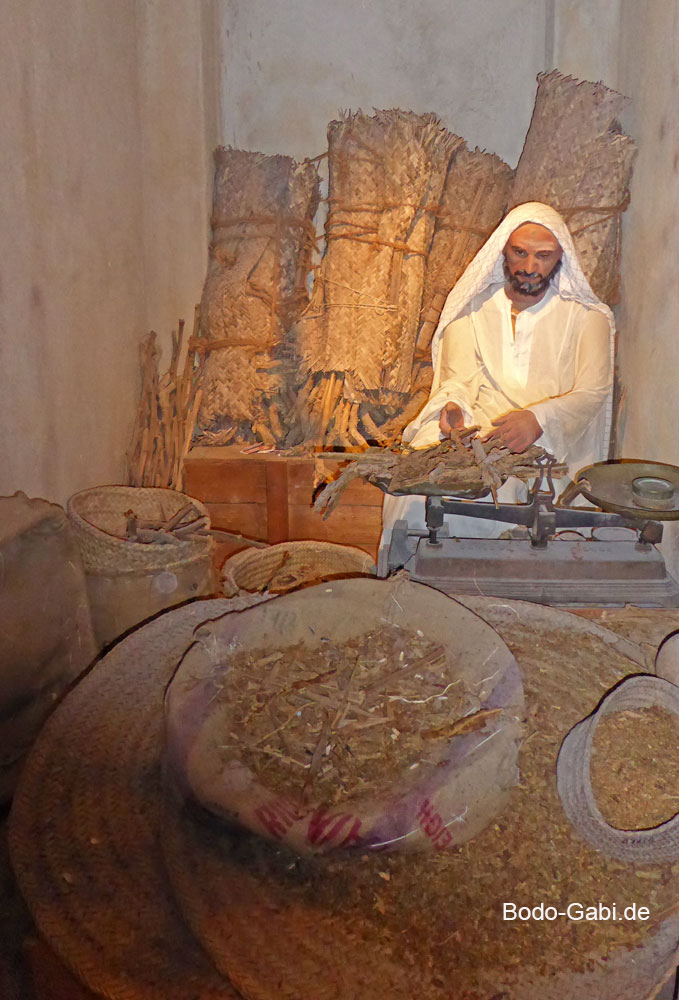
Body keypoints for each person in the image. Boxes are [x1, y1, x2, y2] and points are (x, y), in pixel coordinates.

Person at [381, 201, 615, 544]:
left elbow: (593, 391)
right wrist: (454, 410)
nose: (530, 266)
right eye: (520, 252)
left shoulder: (587, 317)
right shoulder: (473, 308)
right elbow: (458, 381)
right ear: (503, 251)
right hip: (481, 435)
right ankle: (415, 569)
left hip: (550, 445)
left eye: (544, 256)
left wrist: (538, 419)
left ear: (559, 258)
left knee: (514, 499)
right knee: (416, 479)